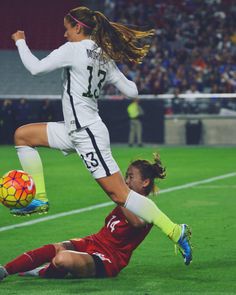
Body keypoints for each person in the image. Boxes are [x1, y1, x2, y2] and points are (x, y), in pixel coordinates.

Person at [11, 6, 192, 265]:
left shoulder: (73, 50)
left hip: (87, 134)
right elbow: (132, 91)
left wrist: (21, 42)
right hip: (73, 129)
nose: (64, 34)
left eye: (66, 29)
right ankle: (38, 198)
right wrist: (112, 73)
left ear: (78, 28)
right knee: (23, 136)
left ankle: (175, 230)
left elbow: (35, 69)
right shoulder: (104, 55)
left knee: (121, 195)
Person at [0, 154, 190, 282]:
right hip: (93, 242)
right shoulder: (125, 199)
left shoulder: (145, 208)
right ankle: (5, 270)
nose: (125, 181)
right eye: (126, 176)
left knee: (62, 259)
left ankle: (41, 271)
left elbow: (138, 223)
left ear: (145, 182)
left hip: (108, 260)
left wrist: (118, 195)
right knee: (54, 247)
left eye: (131, 177)